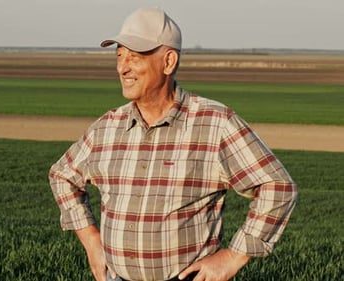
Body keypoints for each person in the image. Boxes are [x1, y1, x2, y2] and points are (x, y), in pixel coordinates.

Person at [49, 7, 297, 281]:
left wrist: (233, 257)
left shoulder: (214, 123)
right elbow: (62, 175)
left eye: (134, 56)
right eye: (119, 56)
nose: (123, 67)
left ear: (168, 62)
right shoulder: (108, 126)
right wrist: (91, 240)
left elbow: (277, 187)